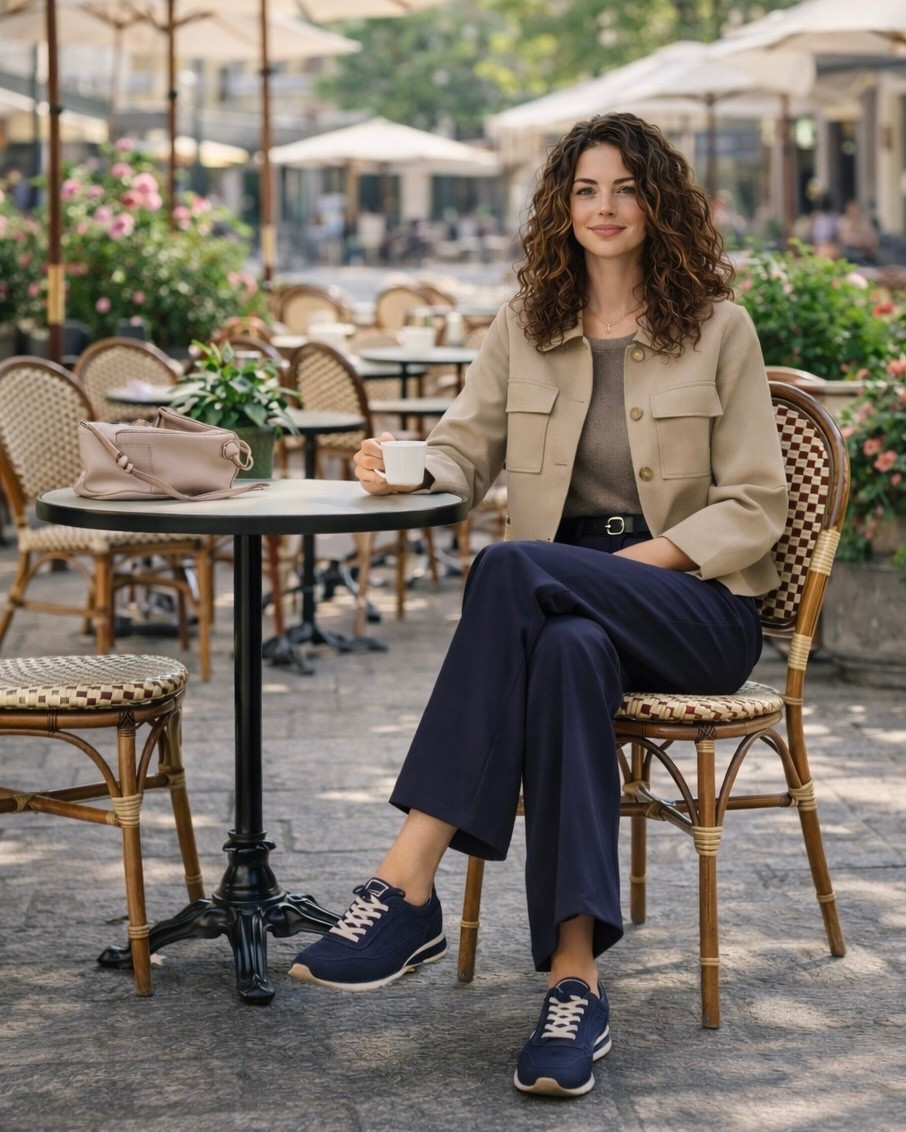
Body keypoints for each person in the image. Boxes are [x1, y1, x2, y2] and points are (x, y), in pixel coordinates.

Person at [289, 113, 788, 1098]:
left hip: (694, 606)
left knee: (516, 570)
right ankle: (574, 985)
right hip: (570, 609)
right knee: (560, 652)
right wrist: (407, 467)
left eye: (626, 189)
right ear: (563, 206)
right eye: (586, 190)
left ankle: (404, 883)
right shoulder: (526, 324)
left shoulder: (718, 327)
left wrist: (636, 568)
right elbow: (464, 451)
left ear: (658, 203)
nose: (605, 209)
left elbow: (756, 503)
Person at [838, 199, 879, 265]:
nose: (854, 211)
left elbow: (871, 236)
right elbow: (845, 238)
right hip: (850, 251)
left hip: (865, 251)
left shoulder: (864, 221)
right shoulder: (844, 221)